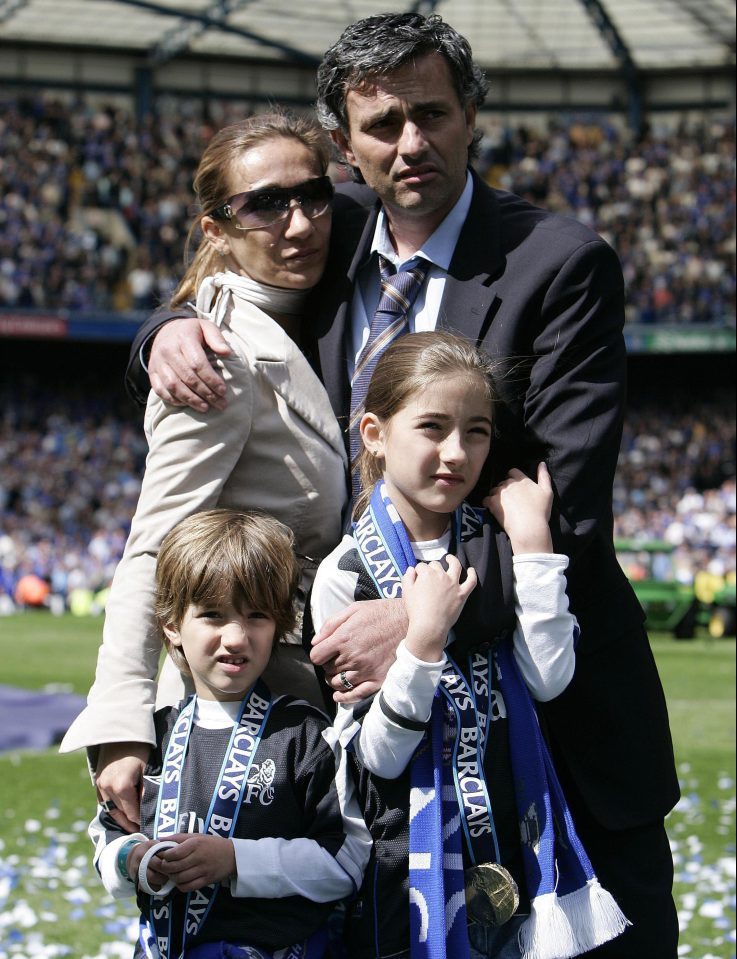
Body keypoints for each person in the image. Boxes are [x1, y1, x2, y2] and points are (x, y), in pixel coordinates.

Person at [123, 13, 680, 956]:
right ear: (345, 144)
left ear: (471, 115)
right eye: (383, 124)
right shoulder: (324, 229)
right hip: (372, 739)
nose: (411, 143)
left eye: (432, 113)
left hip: (548, 720)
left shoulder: (560, 262)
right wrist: (166, 329)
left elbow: (567, 504)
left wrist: (425, 618)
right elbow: (226, 271)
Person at [61, 111, 348, 838]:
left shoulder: (308, 312)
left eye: (313, 194)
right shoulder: (215, 354)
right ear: (215, 228)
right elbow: (154, 543)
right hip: (247, 705)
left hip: (303, 691)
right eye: (264, 203)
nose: (298, 221)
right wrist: (123, 721)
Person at [311, 332, 628, 959]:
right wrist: (422, 641)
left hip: (512, 831)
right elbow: (376, 756)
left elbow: (548, 679)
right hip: (402, 857)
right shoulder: (345, 572)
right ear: (373, 433)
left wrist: (535, 543)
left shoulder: (500, 545)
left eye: (476, 431)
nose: (456, 453)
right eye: (431, 427)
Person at [89, 508, 367, 957]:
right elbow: (107, 839)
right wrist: (132, 861)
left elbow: (345, 863)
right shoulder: (151, 737)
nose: (236, 637)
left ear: (279, 623)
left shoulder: (305, 734)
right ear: (173, 625)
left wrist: (235, 859)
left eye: (256, 615)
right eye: (214, 616)